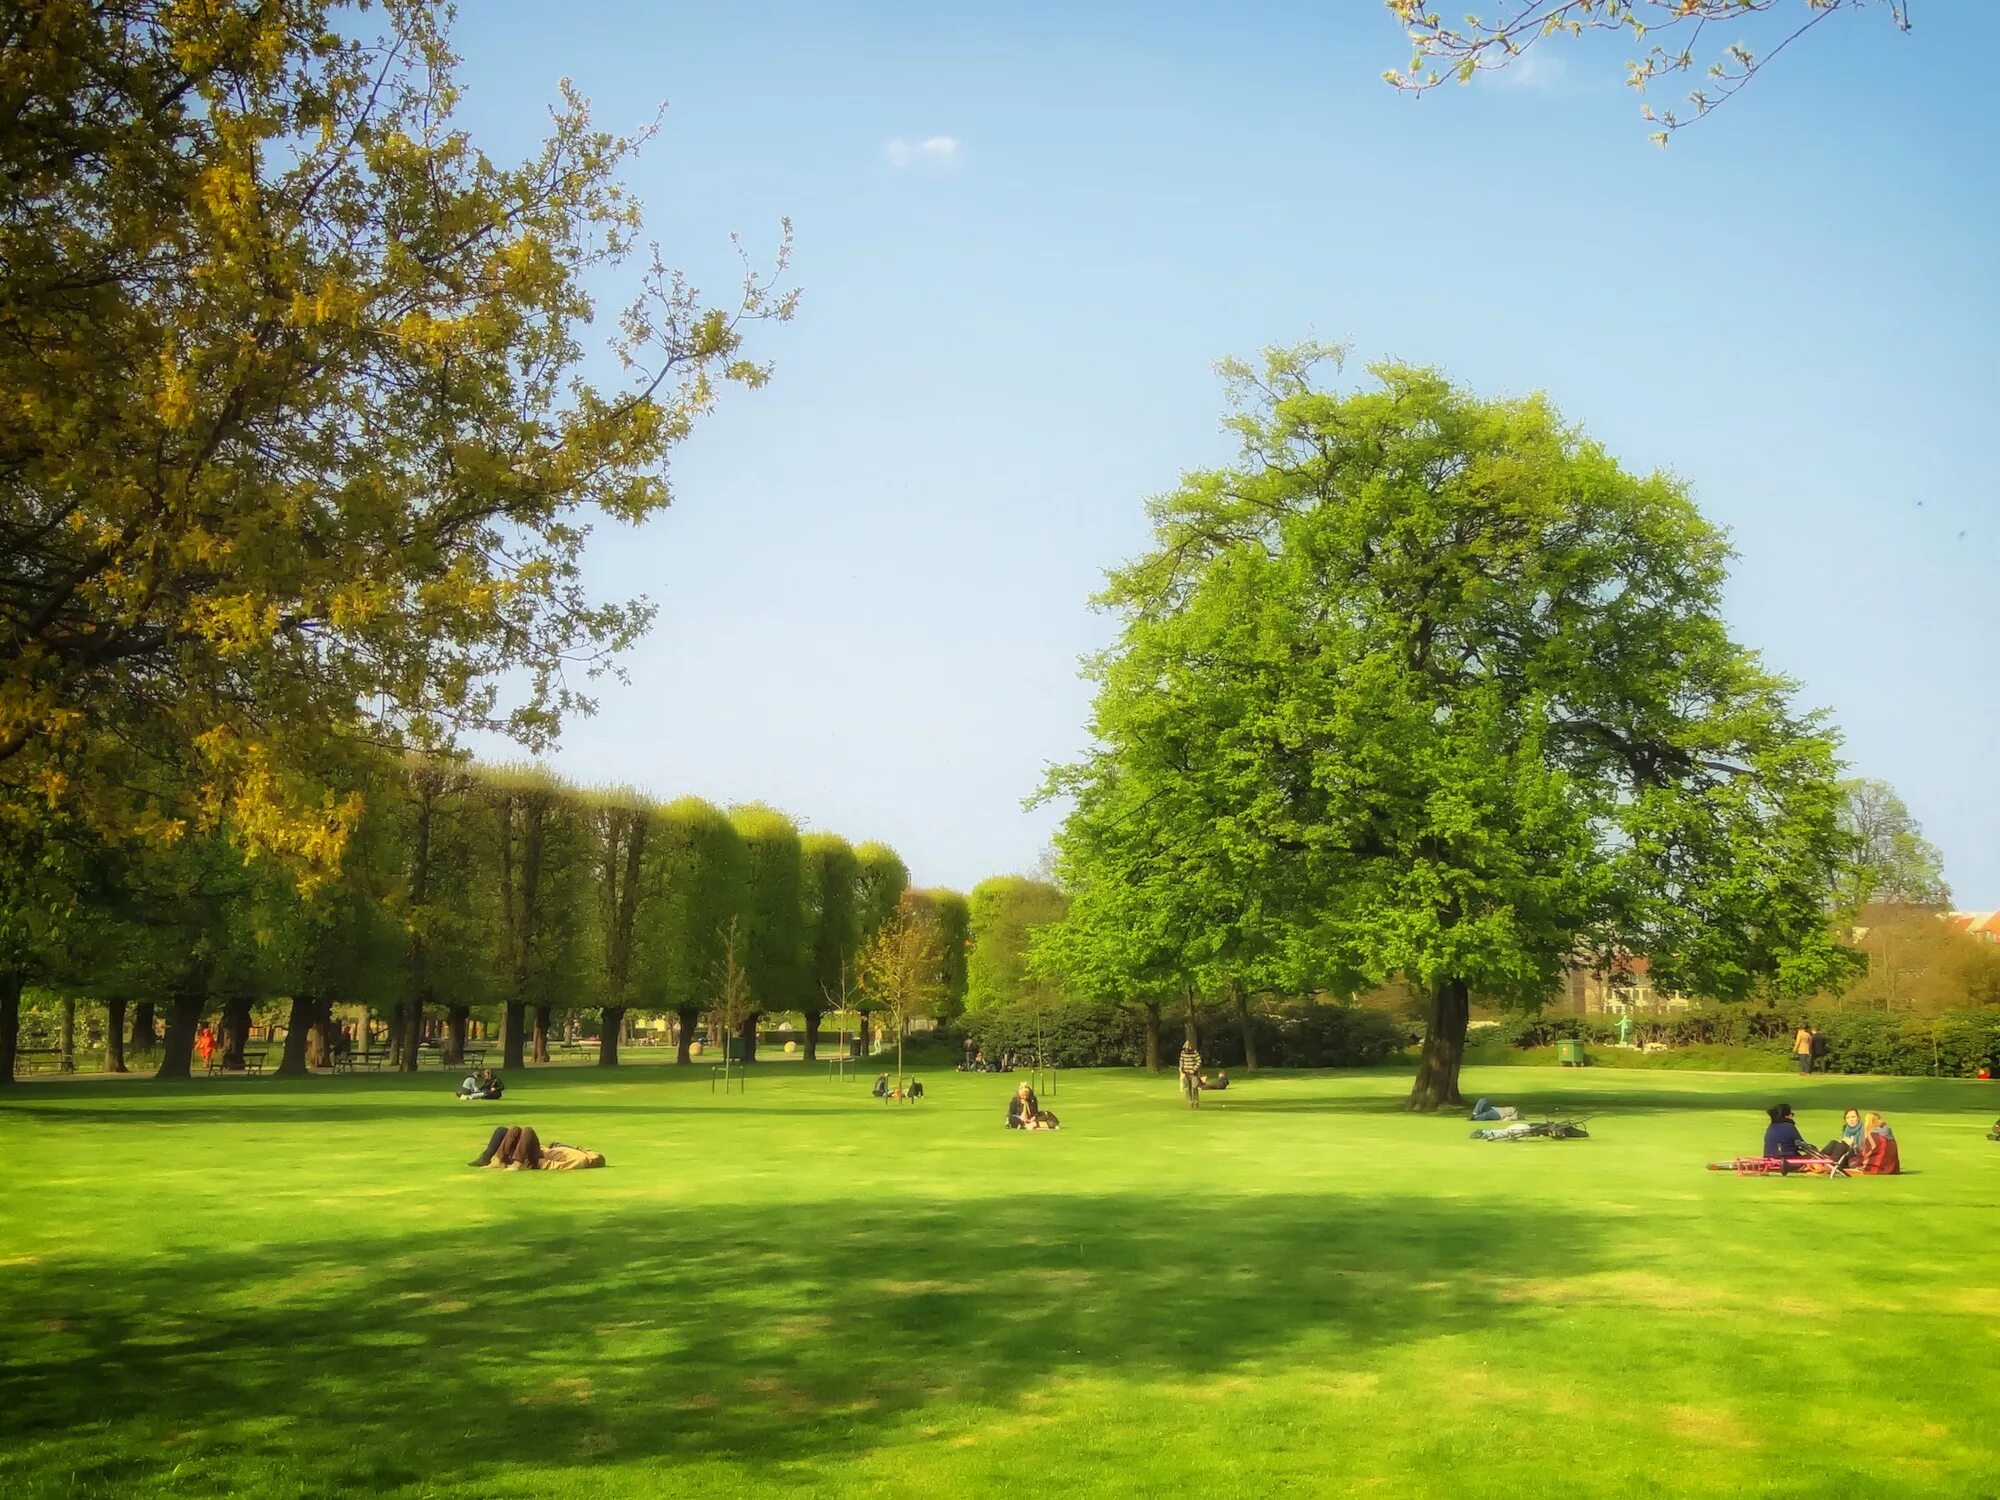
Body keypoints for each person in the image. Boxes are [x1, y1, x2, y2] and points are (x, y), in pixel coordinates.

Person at [469, 1125, 604, 1171]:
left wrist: (533, 1162)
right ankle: (499, 1160)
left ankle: (517, 1164)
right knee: (514, 1130)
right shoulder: (572, 1151)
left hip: (534, 1160)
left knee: (528, 1131)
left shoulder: (582, 1159)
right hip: (535, 1154)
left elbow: (555, 1165)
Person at [1762, 1104, 1808, 1171]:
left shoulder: (1770, 1127)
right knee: (1812, 1157)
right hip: (1787, 1160)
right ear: (1786, 1116)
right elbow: (1801, 1145)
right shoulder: (1789, 1127)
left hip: (1770, 1159)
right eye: (1792, 1114)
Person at [1179, 1038, 1202, 1108]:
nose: (1186, 1050)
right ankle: (1190, 1102)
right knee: (1187, 1088)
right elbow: (1181, 1062)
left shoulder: (1195, 1052)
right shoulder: (1183, 1053)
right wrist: (1181, 1070)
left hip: (1193, 1073)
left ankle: (1196, 1101)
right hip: (1186, 1073)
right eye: (1185, 1049)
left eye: (1187, 1049)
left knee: (1194, 1087)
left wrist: (1194, 1069)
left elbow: (1199, 1061)